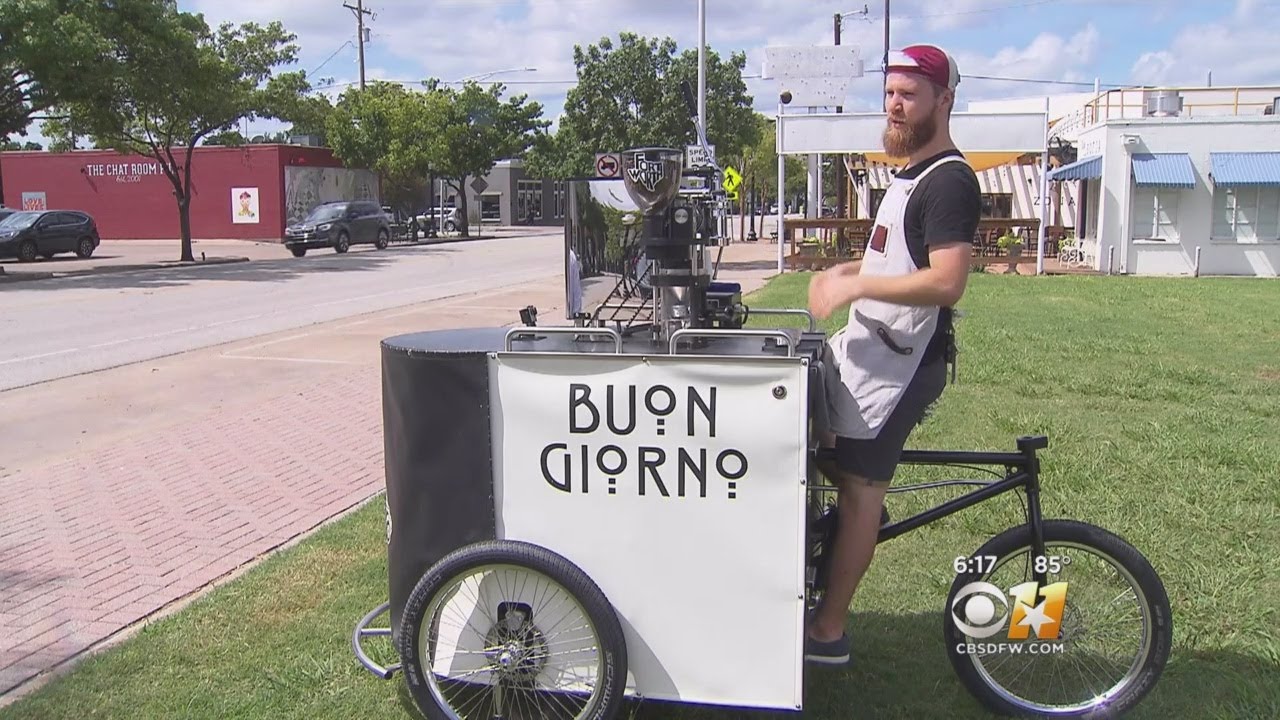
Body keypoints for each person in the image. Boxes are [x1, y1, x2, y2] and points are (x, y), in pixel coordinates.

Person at [803, 43, 981, 665]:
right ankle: (846, 538)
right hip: (869, 347)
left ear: (944, 100)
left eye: (908, 94)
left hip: (902, 362)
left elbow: (946, 281)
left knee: (858, 492)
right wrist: (855, 265)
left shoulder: (951, 180)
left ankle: (828, 632)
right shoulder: (910, 172)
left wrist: (856, 285)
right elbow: (901, 253)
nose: (895, 106)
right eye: (889, 95)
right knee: (808, 446)